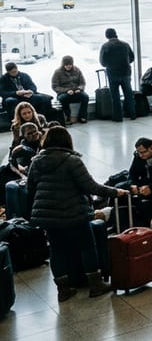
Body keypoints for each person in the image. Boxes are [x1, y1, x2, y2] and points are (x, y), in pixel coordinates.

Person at [27, 126, 127, 301]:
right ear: (67, 141)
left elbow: (30, 188)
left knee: (57, 251)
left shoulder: (37, 161)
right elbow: (91, 187)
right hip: (74, 213)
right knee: (87, 247)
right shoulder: (72, 160)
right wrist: (115, 192)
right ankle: (96, 285)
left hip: (49, 216)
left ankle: (63, 290)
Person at [98, 28, 137, 122]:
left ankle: (118, 117)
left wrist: (110, 65)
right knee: (128, 94)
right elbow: (132, 58)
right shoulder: (125, 44)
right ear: (116, 34)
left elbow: (102, 62)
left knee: (115, 96)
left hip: (112, 73)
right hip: (126, 73)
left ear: (106, 36)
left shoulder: (105, 46)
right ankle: (132, 114)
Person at [50, 56, 88, 124]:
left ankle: (82, 116)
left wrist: (79, 89)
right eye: (66, 65)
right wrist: (66, 90)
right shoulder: (57, 72)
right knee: (63, 98)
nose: (68, 66)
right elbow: (55, 86)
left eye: (70, 64)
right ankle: (68, 116)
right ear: (63, 64)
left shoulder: (77, 70)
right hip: (63, 93)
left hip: (76, 91)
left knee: (85, 97)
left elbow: (83, 83)